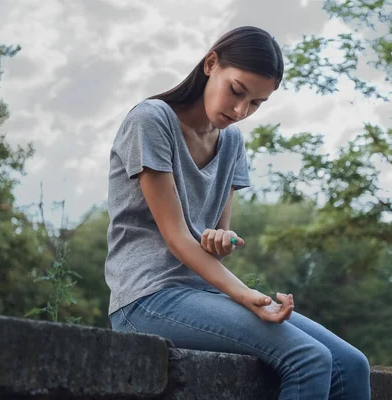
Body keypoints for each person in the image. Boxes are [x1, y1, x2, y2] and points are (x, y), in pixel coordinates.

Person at [105, 26, 371, 399]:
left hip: (205, 295)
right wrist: (247, 295)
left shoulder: (230, 141)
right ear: (211, 64)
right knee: (308, 358)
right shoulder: (151, 121)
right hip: (148, 298)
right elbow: (178, 237)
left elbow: (217, 237)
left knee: (351, 364)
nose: (240, 111)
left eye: (256, 104)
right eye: (237, 91)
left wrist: (222, 240)